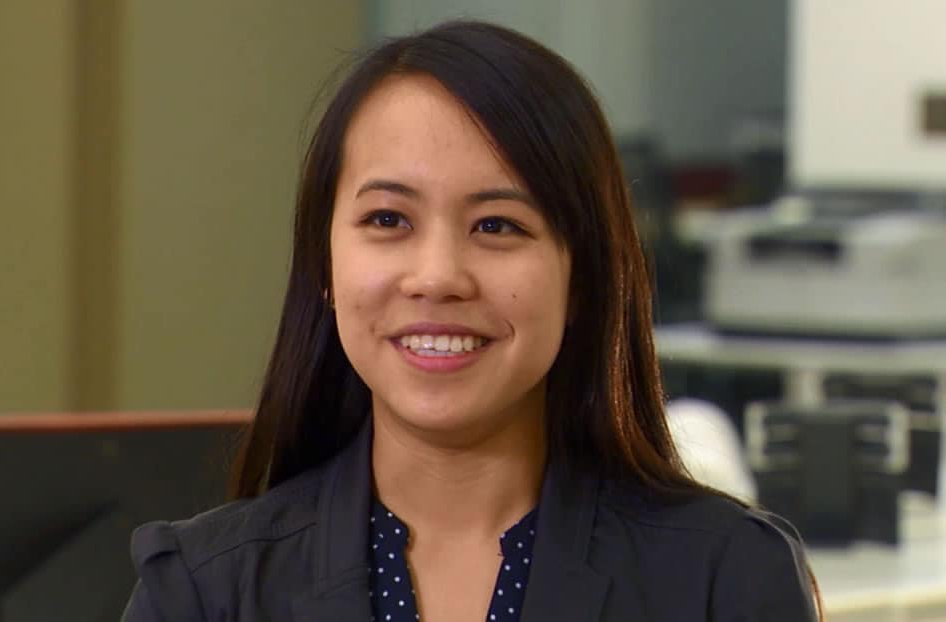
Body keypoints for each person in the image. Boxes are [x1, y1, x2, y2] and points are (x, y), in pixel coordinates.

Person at [122, 20, 820, 622]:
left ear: (581, 277)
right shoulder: (202, 590)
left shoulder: (724, 580)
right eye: (387, 219)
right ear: (324, 267)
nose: (436, 277)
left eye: (496, 225)